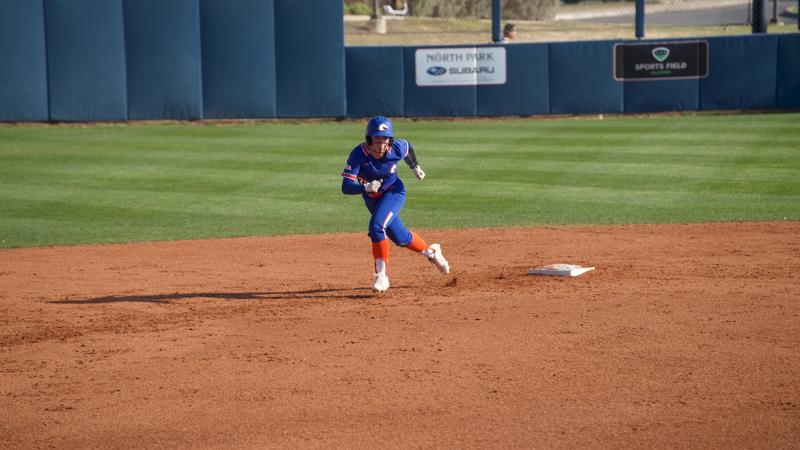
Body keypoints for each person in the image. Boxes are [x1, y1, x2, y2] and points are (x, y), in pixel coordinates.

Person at [341, 116, 450, 293]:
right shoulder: (358, 154)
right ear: (369, 139)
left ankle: (382, 276)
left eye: (385, 138)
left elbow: (407, 147)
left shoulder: (395, 149)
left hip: (394, 193)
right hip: (373, 199)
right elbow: (346, 187)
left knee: (376, 227)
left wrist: (415, 167)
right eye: (377, 138)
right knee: (401, 238)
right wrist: (364, 187)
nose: (381, 143)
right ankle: (432, 252)